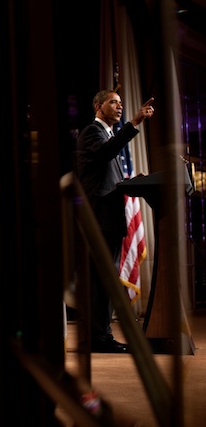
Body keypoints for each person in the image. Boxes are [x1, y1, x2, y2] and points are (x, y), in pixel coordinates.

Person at [74, 90, 154, 353]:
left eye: (121, 103)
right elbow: (104, 154)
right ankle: (98, 338)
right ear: (98, 106)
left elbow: (108, 181)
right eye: (113, 102)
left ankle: (101, 335)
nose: (119, 107)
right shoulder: (92, 133)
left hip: (108, 219)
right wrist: (134, 123)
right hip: (99, 220)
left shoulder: (106, 135)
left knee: (106, 280)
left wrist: (133, 183)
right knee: (101, 280)